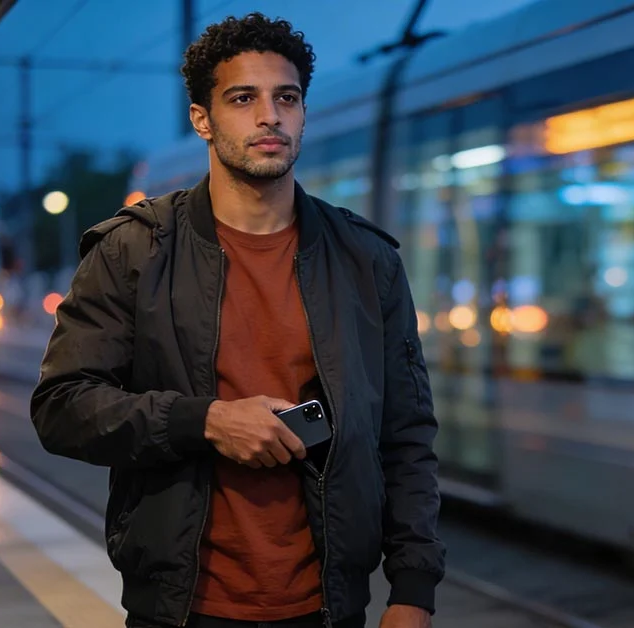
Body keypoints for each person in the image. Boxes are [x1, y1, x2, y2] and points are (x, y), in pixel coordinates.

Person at [30, 13, 444, 628]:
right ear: (202, 118)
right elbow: (62, 407)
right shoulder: (133, 251)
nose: (269, 116)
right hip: (182, 608)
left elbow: (406, 434)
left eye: (287, 98)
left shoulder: (366, 259)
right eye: (242, 98)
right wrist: (208, 421)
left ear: (303, 112)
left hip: (327, 607)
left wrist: (412, 590)